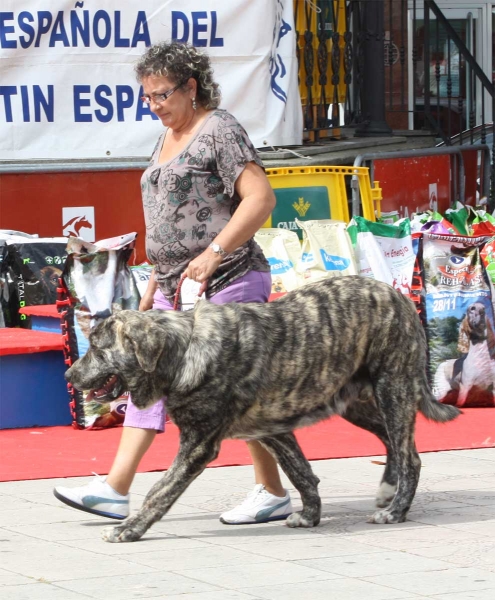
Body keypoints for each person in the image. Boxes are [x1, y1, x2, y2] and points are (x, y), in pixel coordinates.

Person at [54, 41, 293, 526]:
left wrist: (213, 253)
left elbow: (260, 199)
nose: (155, 105)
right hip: (172, 286)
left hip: (230, 278)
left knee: (237, 393)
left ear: (191, 86)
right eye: (147, 97)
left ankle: (271, 490)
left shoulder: (219, 129)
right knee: (147, 378)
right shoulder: (166, 138)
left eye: (162, 95)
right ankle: (115, 491)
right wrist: (154, 287)